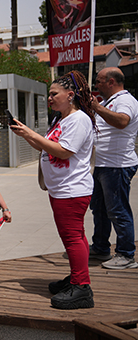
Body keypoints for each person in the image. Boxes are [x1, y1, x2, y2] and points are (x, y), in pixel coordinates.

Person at [11, 70, 96, 310]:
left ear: (70, 95)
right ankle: (77, 277)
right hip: (61, 189)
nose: (49, 98)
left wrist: (30, 132)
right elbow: (45, 147)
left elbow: (64, 151)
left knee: (72, 237)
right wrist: (25, 134)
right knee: (73, 236)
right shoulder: (61, 120)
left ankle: (81, 288)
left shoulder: (79, 119)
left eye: (53, 93)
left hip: (72, 189)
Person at [89, 67, 138, 270]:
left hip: (117, 165)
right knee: (99, 209)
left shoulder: (125, 101)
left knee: (117, 210)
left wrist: (97, 108)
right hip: (104, 164)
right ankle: (101, 247)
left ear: (111, 82)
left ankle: (126, 254)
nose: (96, 85)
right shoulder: (110, 102)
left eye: (99, 81)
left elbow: (122, 121)